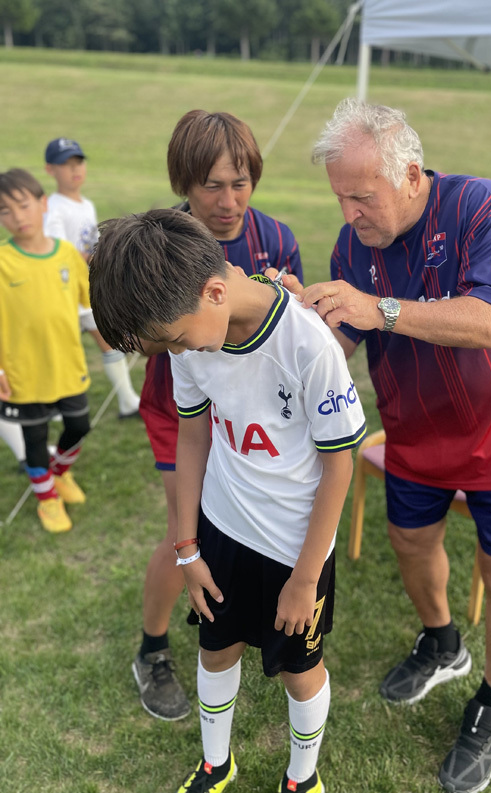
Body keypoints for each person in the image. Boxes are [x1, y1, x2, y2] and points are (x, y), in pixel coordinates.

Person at [281, 98, 491, 793]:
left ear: (410, 174)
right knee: (410, 542)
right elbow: (340, 343)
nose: (349, 212)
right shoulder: (353, 246)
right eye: (340, 197)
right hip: (415, 426)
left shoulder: (479, 207)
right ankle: (441, 640)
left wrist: (375, 307)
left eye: (361, 196)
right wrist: (295, 320)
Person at [89, 208, 366, 793]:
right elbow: (193, 437)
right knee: (216, 650)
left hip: (295, 547)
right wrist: (187, 549)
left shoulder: (308, 344)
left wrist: (305, 578)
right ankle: (217, 763)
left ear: (214, 292)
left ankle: (302, 777)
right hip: (221, 528)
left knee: (299, 670)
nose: (176, 351)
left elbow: (339, 464)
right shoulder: (189, 333)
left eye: (175, 339)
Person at [131, 110, 304, 723]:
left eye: (241, 183)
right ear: (183, 183)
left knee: (241, 528)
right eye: (211, 186)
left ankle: (232, 629)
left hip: (248, 414)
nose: (228, 202)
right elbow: (135, 338)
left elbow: (291, 332)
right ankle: (152, 650)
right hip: (178, 409)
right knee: (186, 531)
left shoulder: (277, 237)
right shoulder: (158, 241)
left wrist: (285, 298)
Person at [0, 168, 92, 533]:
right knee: (34, 439)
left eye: (23, 205)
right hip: (23, 373)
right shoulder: (2, 261)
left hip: (67, 365)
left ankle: (60, 472)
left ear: (42, 204)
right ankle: (47, 499)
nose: (17, 216)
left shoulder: (67, 254)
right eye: (5, 210)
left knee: (79, 425)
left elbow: (90, 301)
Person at [44, 137, 141, 419]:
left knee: (108, 339)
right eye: (66, 164)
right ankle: (54, 405)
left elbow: (93, 243)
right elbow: (58, 250)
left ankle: (127, 401)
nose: (74, 169)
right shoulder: (54, 207)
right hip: (63, 290)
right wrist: (89, 258)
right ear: (50, 170)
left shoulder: (86, 205)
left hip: (86, 289)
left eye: (78, 162)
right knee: (61, 350)